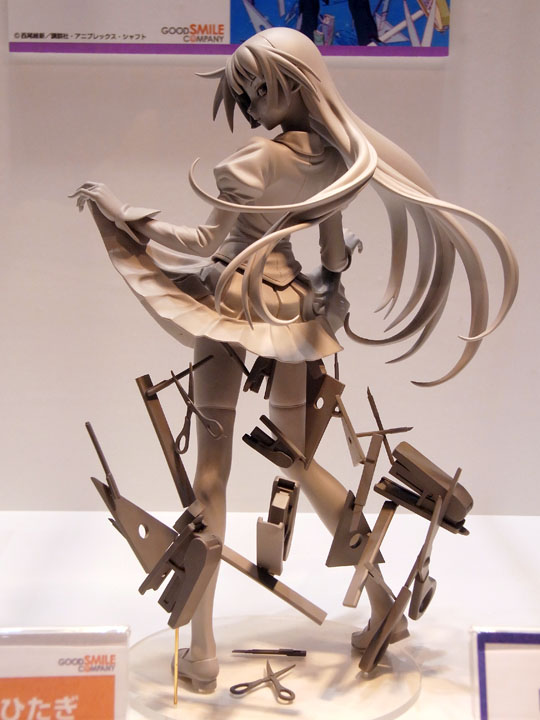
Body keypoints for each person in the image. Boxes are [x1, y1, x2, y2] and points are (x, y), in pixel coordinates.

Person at [72, 27, 517, 691]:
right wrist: (334, 274)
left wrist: (125, 217)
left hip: (231, 305)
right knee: (299, 461)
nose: (252, 105)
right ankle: (383, 605)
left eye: (257, 89)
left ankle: (202, 650)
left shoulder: (249, 163)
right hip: (290, 312)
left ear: (293, 83)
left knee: (212, 476)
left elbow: (202, 241)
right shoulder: (337, 163)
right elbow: (332, 260)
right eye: (245, 93)